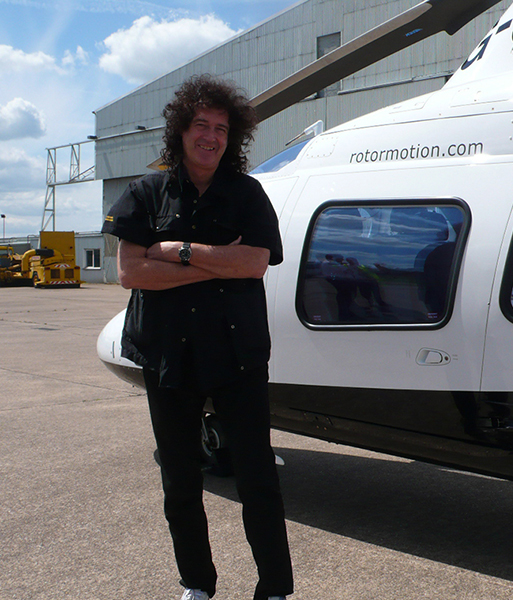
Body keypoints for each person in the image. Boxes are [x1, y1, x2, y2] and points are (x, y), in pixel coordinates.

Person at [102, 74, 293, 600]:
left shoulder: (248, 194)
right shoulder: (145, 194)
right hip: (168, 356)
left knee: (257, 478)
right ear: (182, 131)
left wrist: (177, 251)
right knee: (180, 481)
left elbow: (255, 263)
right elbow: (131, 273)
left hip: (238, 355)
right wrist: (218, 262)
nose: (211, 137)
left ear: (232, 138)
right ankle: (197, 585)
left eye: (221, 129)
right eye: (202, 125)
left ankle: (275, 589)